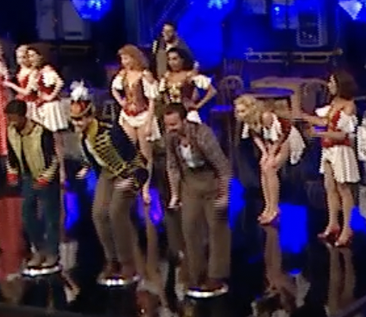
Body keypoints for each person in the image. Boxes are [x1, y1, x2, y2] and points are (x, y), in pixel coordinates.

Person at [72, 84, 145, 286]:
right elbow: (94, 157)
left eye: (80, 119)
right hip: (106, 174)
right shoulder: (83, 137)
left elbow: (135, 159)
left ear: (90, 116)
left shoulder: (110, 131)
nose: (77, 124)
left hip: (128, 173)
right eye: (74, 120)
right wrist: (87, 168)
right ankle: (111, 259)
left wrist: (132, 181)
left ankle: (127, 263)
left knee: (116, 213)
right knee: (98, 214)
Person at [162, 106, 233, 299]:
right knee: (190, 226)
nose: (171, 129)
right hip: (190, 183)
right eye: (167, 125)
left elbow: (223, 167)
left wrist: (224, 194)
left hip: (211, 181)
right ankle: (196, 273)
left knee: (216, 228)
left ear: (185, 120)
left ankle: (216, 275)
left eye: (174, 124)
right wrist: (175, 195)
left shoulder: (203, 135)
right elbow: (172, 167)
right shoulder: (170, 139)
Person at [4, 98, 61, 276]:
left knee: (50, 217)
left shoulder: (42, 132)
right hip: (27, 176)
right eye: (9, 118)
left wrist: (45, 179)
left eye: (14, 118)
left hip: (46, 177)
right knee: (27, 214)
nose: (11, 122)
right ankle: (39, 249)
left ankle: (52, 253)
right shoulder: (10, 131)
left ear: (23, 116)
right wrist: (12, 172)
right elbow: (11, 155)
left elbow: (54, 160)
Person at [235, 94, 300, 226]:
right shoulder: (248, 119)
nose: (240, 114)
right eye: (238, 111)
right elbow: (256, 136)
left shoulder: (265, 116)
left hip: (286, 138)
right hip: (271, 141)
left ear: (251, 109)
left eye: (243, 111)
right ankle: (268, 206)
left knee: (270, 167)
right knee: (263, 166)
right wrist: (264, 153)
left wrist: (271, 154)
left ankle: (275, 209)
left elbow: (280, 136)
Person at [315, 70, 361, 246]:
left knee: (343, 189)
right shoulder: (334, 102)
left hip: (341, 151)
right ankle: (333, 223)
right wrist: (303, 117)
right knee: (330, 187)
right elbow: (325, 122)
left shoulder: (348, 106)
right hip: (328, 150)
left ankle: (347, 228)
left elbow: (342, 135)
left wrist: (319, 134)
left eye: (332, 83)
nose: (329, 85)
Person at [13, 44, 72, 169]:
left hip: (51, 107)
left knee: (56, 139)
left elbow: (59, 82)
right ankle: (49, 166)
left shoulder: (47, 69)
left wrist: (50, 96)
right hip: (42, 106)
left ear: (40, 56)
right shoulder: (37, 71)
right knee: (46, 139)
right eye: (29, 56)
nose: (31, 59)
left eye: (33, 56)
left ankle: (61, 169)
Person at [110, 44, 160, 160]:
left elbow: (152, 100)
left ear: (134, 58)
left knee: (145, 153)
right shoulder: (123, 74)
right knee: (129, 150)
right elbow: (113, 89)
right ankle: (132, 171)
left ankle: (146, 172)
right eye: (122, 59)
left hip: (143, 116)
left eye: (126, 58)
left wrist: (149, 123)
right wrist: (121, 101)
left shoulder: (144, 75)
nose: (124, 62)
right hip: (128, 116)